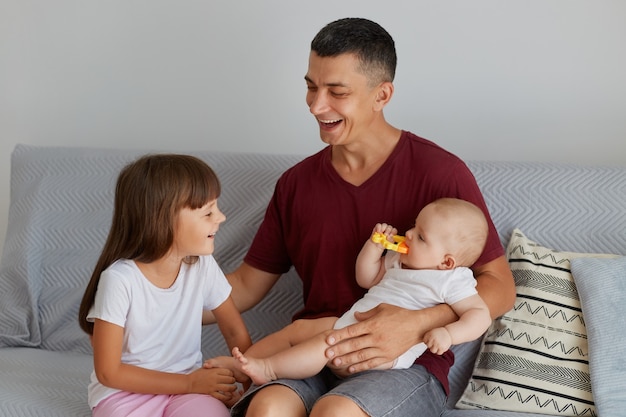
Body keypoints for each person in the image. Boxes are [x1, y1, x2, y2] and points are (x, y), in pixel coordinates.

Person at [205, 17, 515, 417]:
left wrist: (416, 323)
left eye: (337, 92)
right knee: (267, 408)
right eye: (311, 87)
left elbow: (501, 287)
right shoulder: (296, 184)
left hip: (403, 362)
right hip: (315, 350)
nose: (317, 106)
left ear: (381, 94)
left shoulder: (442, 174)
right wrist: (154, 299)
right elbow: (245, 284)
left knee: (336, 413)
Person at [207, 198, 492, 386]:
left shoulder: (452, 280)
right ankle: (242, 364)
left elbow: (479, 315)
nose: (409, 234)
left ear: (446, 261)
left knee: (324, 344)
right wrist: (374, 247)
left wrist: (449, 334)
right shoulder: (398, 261)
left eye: (420, 236)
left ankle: (268, 369)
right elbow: (366, 278)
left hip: (381, 351)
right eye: (414, 226)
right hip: (352, 324)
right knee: (298, 329)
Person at [77, 154, 252, 417]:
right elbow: (108, 372)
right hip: (125, 394)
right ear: (163, 219)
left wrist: (249, 387)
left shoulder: (202, 266)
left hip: (189, 391)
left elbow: (234, 333)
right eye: (208, 212)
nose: (221, 217)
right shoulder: (120, 280)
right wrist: (189, 383)